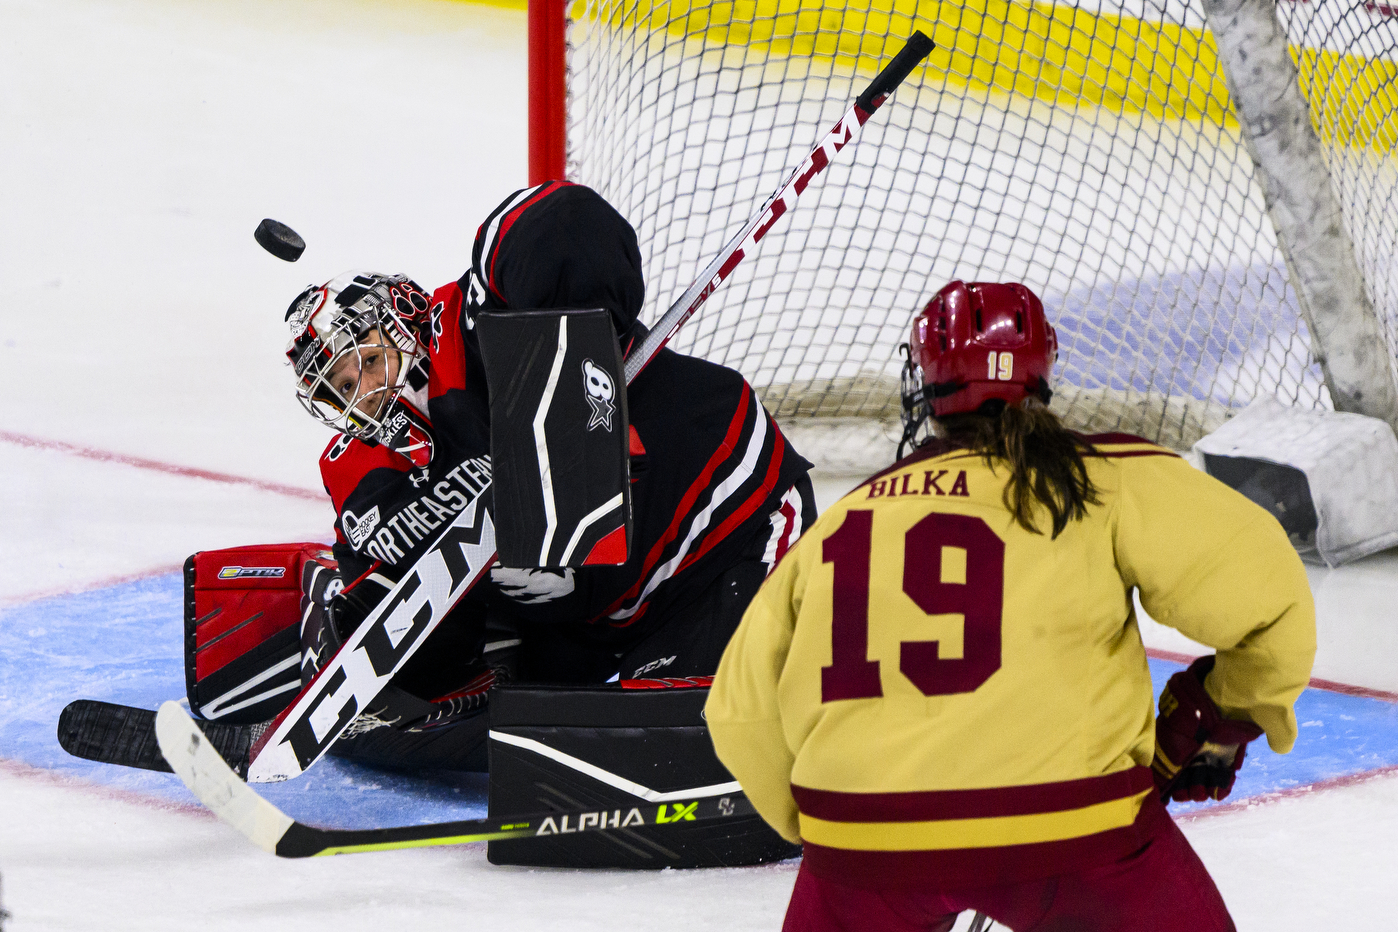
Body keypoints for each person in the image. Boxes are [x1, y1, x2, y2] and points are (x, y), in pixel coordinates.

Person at [705, 280, 1317, 931]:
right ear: (1042, 374)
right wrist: (1226, 714)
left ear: (927, 385)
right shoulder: (1102, 475)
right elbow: (1270, 599)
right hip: (1072, 833)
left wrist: (837, 838)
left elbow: (738, 712)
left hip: (867, 853)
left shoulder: (847, 517)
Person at [283, 182, 817, 768]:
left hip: (726, 535)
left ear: (406, 320)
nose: (366, 390)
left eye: (368, 359)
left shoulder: (469, 328)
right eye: (341, 387)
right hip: (598, 617)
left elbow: (563, 223)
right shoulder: (358, 467)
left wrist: (574, 320)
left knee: (715, 739)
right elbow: (393, 591)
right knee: (561, 721)